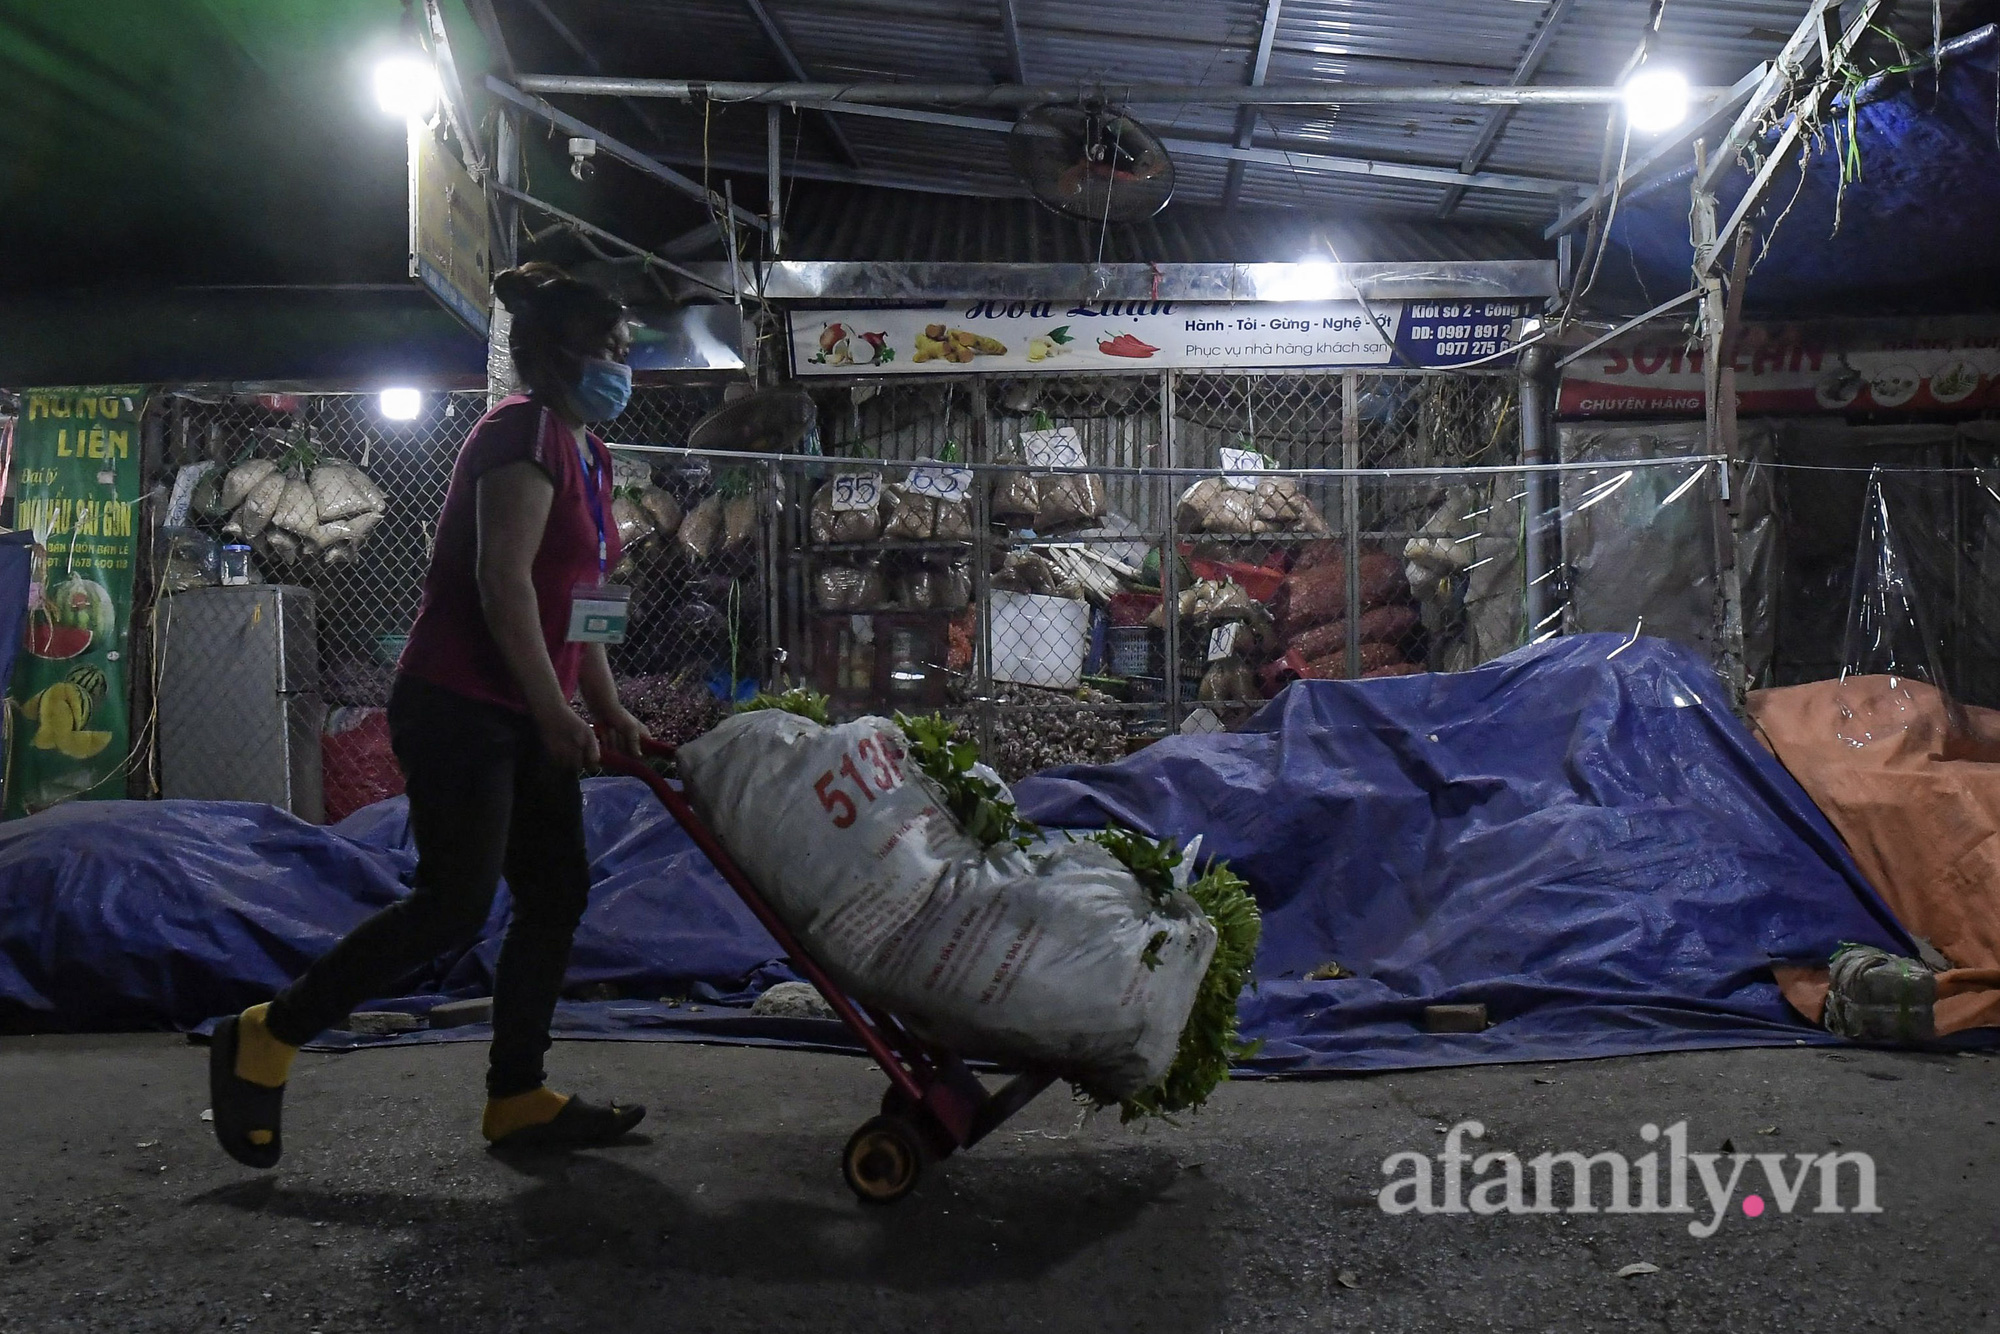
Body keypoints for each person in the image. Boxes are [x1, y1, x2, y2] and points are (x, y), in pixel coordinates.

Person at [209, 263, 654, 1166]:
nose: (623, 367)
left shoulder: (589, 453)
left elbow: (583, 594)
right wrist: (550, 708)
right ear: (564, 353)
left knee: (555, 890)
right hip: (461, 706)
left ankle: (519, 1096)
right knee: (455, 903)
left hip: (524, 708)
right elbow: (502, 583)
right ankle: (268, 1033)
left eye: (625, 354)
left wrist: (604, 706)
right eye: (611, 351)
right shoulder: (521, 432)